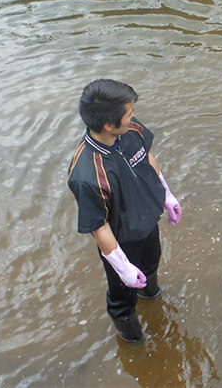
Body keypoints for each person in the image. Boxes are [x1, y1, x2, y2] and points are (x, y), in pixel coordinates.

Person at [67, 79, 183, 343]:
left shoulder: (130, 130)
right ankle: (135, 345)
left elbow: (146, 157)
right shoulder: (86, 175)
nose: (133, 117)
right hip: (121, 241)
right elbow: (98, 226)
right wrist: (123, 268)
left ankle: (152, 298)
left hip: (148, 222)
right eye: (129, 114)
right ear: (108, 125)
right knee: (122, 299)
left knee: (152, 264)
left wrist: (166, 194)